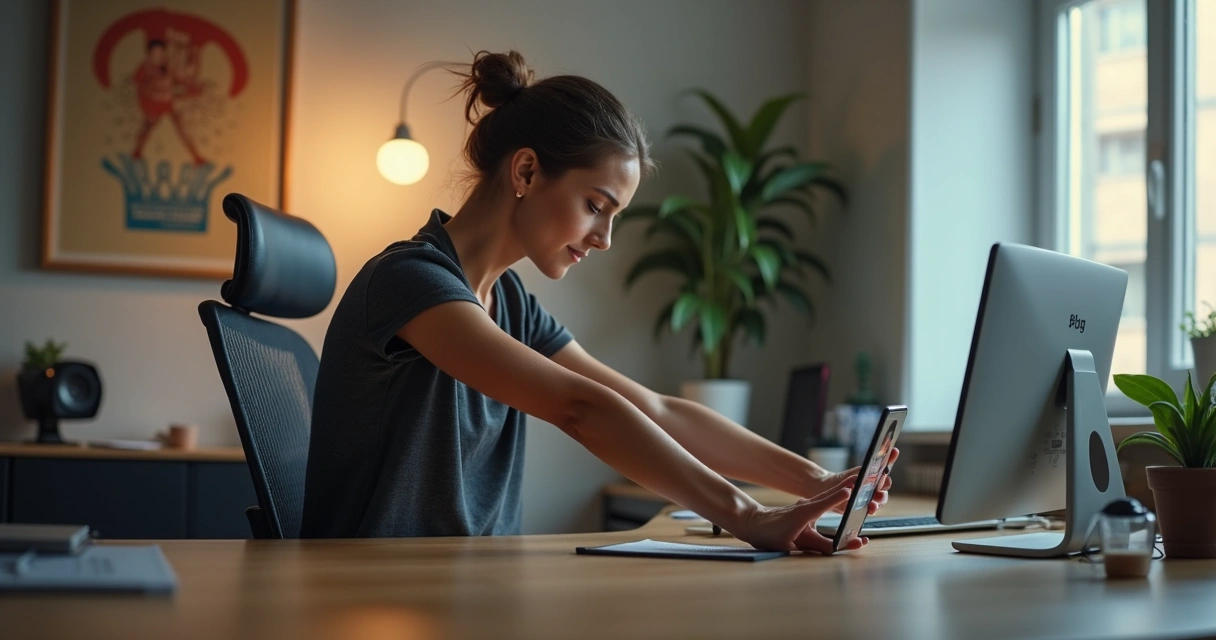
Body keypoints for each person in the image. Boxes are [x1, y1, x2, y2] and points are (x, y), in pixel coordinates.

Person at [300, 51, 897, 552]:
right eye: (595, 206)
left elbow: (653, 409)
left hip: (469, 585)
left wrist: (820, 481)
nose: (604, 239)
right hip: (381, 593)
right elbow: (579, 409)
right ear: (526, 172)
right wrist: (746, 515)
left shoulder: (508, 302)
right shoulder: (410, 281)